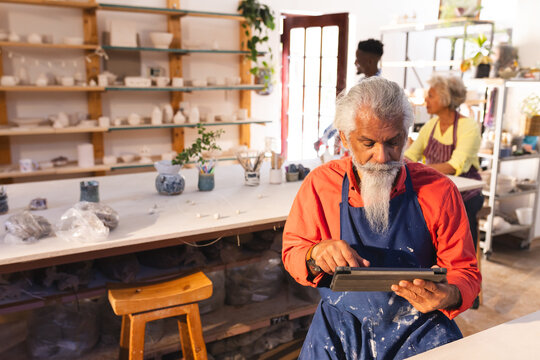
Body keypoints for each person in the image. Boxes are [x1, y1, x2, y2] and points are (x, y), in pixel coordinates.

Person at [282, 77, 481, 359]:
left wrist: (449, 294)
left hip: (419, 327)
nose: (382, 156)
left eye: (393, 142)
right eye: (368, 143)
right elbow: (293, 253)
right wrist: (315, 254)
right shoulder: (321, 184)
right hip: (341, 327)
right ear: (345, 138)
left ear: (406, 134)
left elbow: (466, 272)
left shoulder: (438, 190)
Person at [404, 74, 484, 251]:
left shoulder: (468, 127)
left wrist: (419, 170)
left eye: (431, 95)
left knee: (461, 242)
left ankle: (463, 267)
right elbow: (410, 156)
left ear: (446, 98)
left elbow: (453, 166)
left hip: (465, 195)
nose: (426, 99)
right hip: (437, 191)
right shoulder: (430, 126)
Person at [314, 39, 384, 154]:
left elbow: (346, 118)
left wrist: (325, 137)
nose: (355, 62)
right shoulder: (363, 84)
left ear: (370, 61)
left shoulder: (375, 90)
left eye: (358, 59)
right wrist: (325, 137)